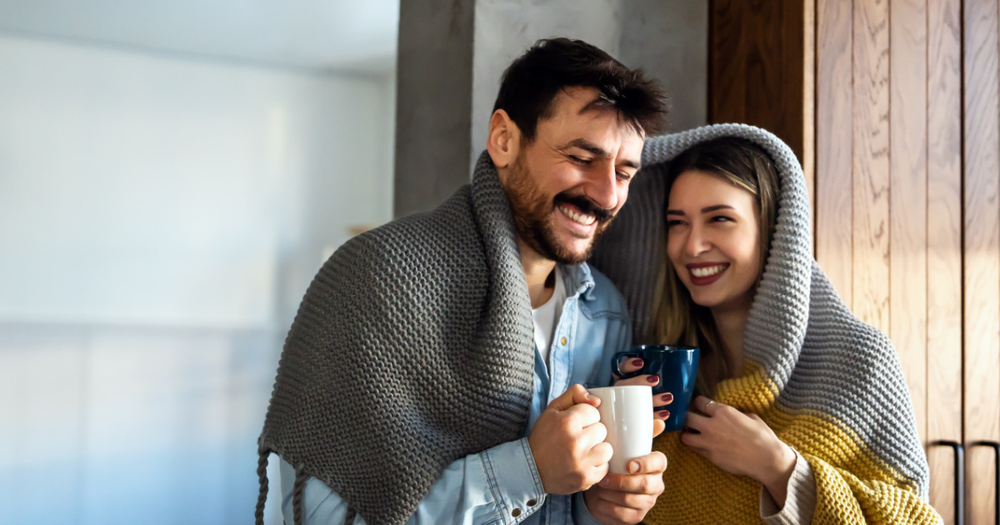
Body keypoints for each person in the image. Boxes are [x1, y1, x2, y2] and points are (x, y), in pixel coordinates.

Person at [253, 38, 670, 525]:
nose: (606, 194)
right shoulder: (376, 279)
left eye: (624, 172)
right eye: (581, 157)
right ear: (504, 140)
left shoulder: (606, 311)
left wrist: (597, 506)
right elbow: (324, 517)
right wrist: (527, 471)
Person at [590, 127, 942, 524]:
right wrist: (619, 441)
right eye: (678, 223)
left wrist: (777, 467)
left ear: (772, 230)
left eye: (720, 219)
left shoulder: (859, 361)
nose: (691, 246)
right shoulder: (655, 368)